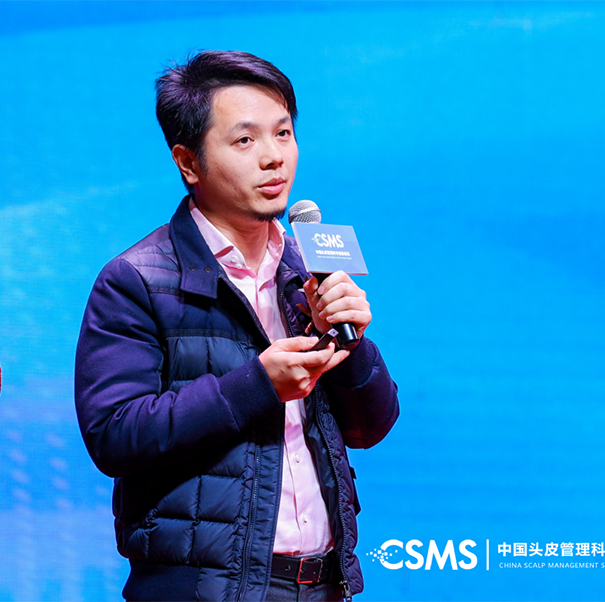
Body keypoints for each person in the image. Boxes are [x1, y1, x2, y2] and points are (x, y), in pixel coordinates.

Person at [75, 50, 399, 602]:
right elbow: (115, 435)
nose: (274, 158)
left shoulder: (306, 268)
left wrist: (354, 344)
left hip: (324, 584)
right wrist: (259, 385)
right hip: (206, 591)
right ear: (189, 162)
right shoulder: (137, 280)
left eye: (283, 133)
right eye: (245, 140)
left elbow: (372, 427)